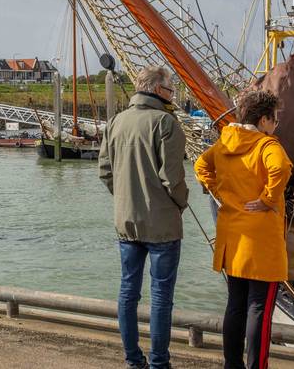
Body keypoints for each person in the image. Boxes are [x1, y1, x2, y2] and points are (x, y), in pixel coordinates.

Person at [194, 89, 292, 369]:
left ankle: (232, 364)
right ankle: (256, 366)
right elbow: (281, 169)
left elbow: (201, 165)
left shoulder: (225, 143)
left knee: (235, 303)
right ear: (263, 121)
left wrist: (218, 191)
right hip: (261, 238)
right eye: (274, 120)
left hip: (232, 235)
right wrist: (267, 199)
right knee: (259, 307)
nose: (275, 126)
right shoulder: (267, 146)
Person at [99, 66, 189, 369]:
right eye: (170, 89)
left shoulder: (115, 122)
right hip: (162, 223)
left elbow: (105, 172)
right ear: (157, 89)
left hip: (127, 220)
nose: (173, 95)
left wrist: (124, 196)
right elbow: (173, 178)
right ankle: (159, 364)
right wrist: (181, 203)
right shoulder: (166, 123)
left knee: (128, 291)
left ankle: (133, 361)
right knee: (161, 297)